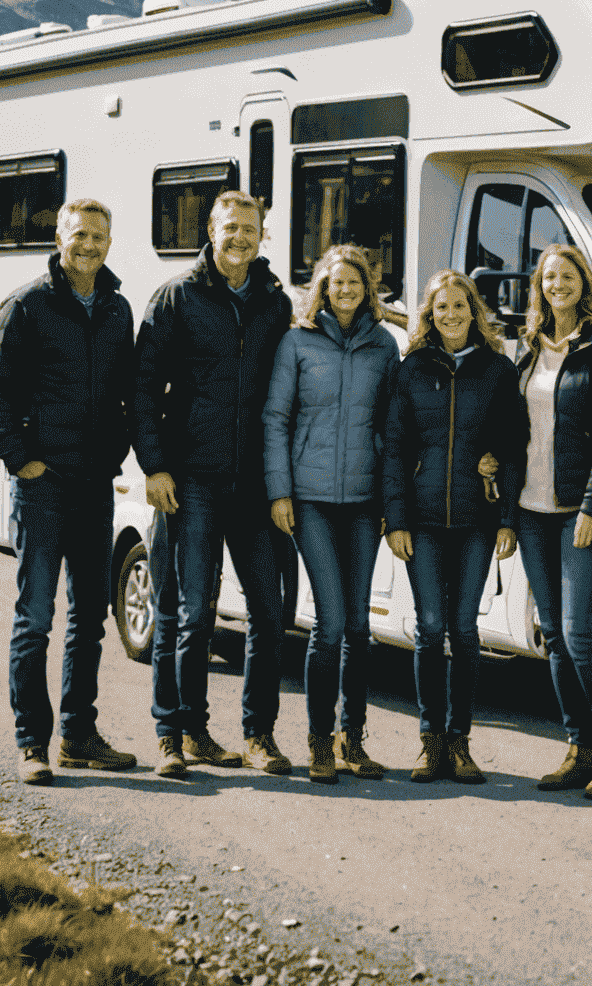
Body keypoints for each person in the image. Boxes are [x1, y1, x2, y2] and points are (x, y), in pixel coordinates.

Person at [0, 197, 139, 784]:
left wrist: (117, 453)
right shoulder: (27, 306)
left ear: (109, 242)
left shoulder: (118, 310)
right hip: (43, 488)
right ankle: (31, 744)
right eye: (78, 234)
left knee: (90, 618)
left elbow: (129, 392)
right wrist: (22, 462)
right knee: (36, 618)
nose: (88, 244)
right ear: (59, 236)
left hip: (94, 484)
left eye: (98, 235)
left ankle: (78, 735)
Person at [133, 190, 295, 780]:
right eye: (230, 228)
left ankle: (259, 735)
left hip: (251, 485)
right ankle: (177, 733)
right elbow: (144, 386)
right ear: (211, 230)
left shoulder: (275, 304)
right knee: (188, 613)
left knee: (269, 614)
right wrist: (155, 466)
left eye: (249, 229)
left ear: (261, 235)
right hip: (191, 481)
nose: (239, 238)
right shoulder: (178, 296)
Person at [263, 244, 400, 784]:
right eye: (335, 283)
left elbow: (393, 430)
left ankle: (353, 741)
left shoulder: (385, 347)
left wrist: (393, 503)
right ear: (321, 288)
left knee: (361, 627)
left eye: (355, 283)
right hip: (312, 500)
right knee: (332, 622)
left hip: (365, 502)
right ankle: (319, 740)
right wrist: (280, 492)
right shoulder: (298, 341)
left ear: (368, 288)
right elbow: (276, 418)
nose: (345, 291)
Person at [382, 270, 524, 784]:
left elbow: (512, 450)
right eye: (440, 308)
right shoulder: (412, 369)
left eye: (459, 306)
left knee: (464, 631)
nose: (451, 315)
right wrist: (395, 520)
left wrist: (507, 517)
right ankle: (429, 742)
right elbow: (394, 450)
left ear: (473, 311)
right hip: (419, 520)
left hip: (476, 522)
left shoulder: (498, 371)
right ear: (429, 315)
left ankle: (460, 742)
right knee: (429, 630)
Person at [513, 243, 592, 800]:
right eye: (549, 277)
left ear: (583, 284)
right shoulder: (529, 346)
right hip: (531, 511)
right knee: (553, 635)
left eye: (567, 276)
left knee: (581, 633)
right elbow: (516, 428)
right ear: (539, 286)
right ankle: (577, 749)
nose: (558, 284)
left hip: (577, 512)